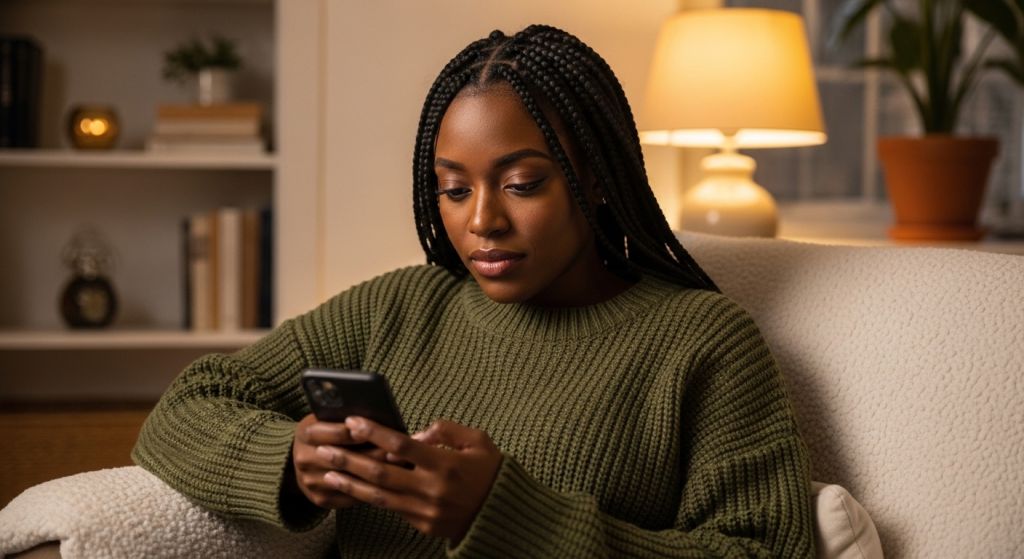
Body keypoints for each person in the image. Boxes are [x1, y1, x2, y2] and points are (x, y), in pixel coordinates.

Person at [133, 25, 814, 558]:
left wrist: (503, 515)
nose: (482, 220)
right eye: (454, 189)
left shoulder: (702, 342)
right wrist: (292, 460)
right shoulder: (395, 308)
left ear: (597, 177)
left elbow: (762, 549)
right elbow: (189, 402)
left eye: (521, 184)